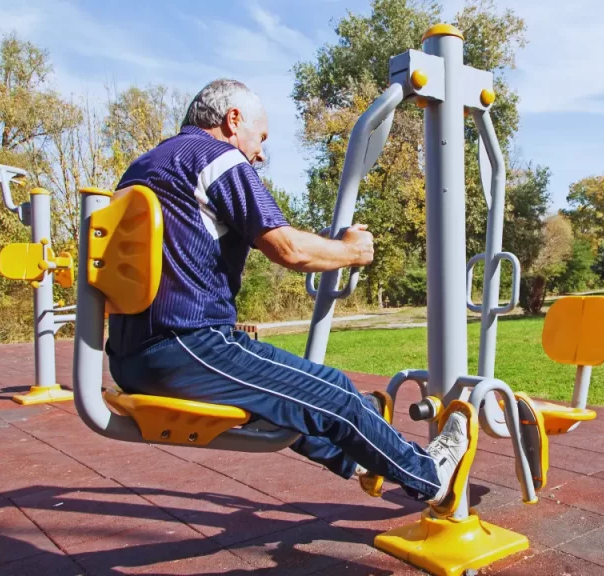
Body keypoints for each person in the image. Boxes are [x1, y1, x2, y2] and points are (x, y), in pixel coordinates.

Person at [106, 78, 468, 506]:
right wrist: (350, 251)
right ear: (232, 119)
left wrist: (325, 244)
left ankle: (366, 457)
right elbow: (288, 249)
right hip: (188, 347)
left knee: (286, 404)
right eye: (261, 138)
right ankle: (429, 476)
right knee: (334, 391)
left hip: (130, 358)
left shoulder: (144, 169)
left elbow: (219, 246)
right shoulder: (216, 157)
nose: (260, 153)